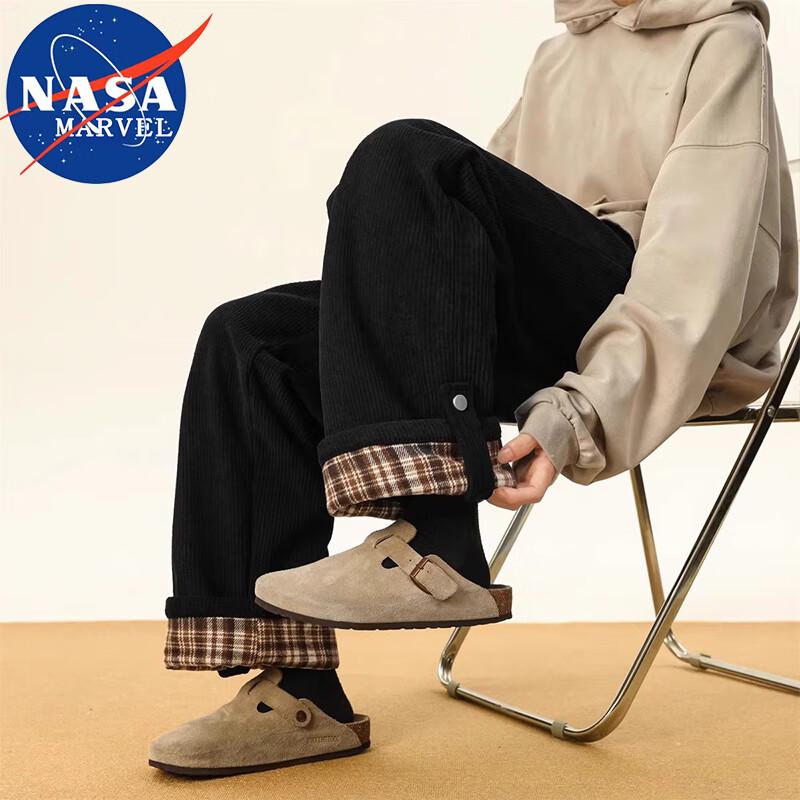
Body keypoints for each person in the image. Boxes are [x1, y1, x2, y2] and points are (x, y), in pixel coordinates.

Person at [148, 0, 797, 777]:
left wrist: (577, 411)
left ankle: (438, 541)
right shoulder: (561, 57)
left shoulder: (724, 39)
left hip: (657, 323)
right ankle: (299, 693)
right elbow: (463, 236)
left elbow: (696, 269)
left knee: (407, 156)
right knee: (253, 339)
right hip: (556, 320)